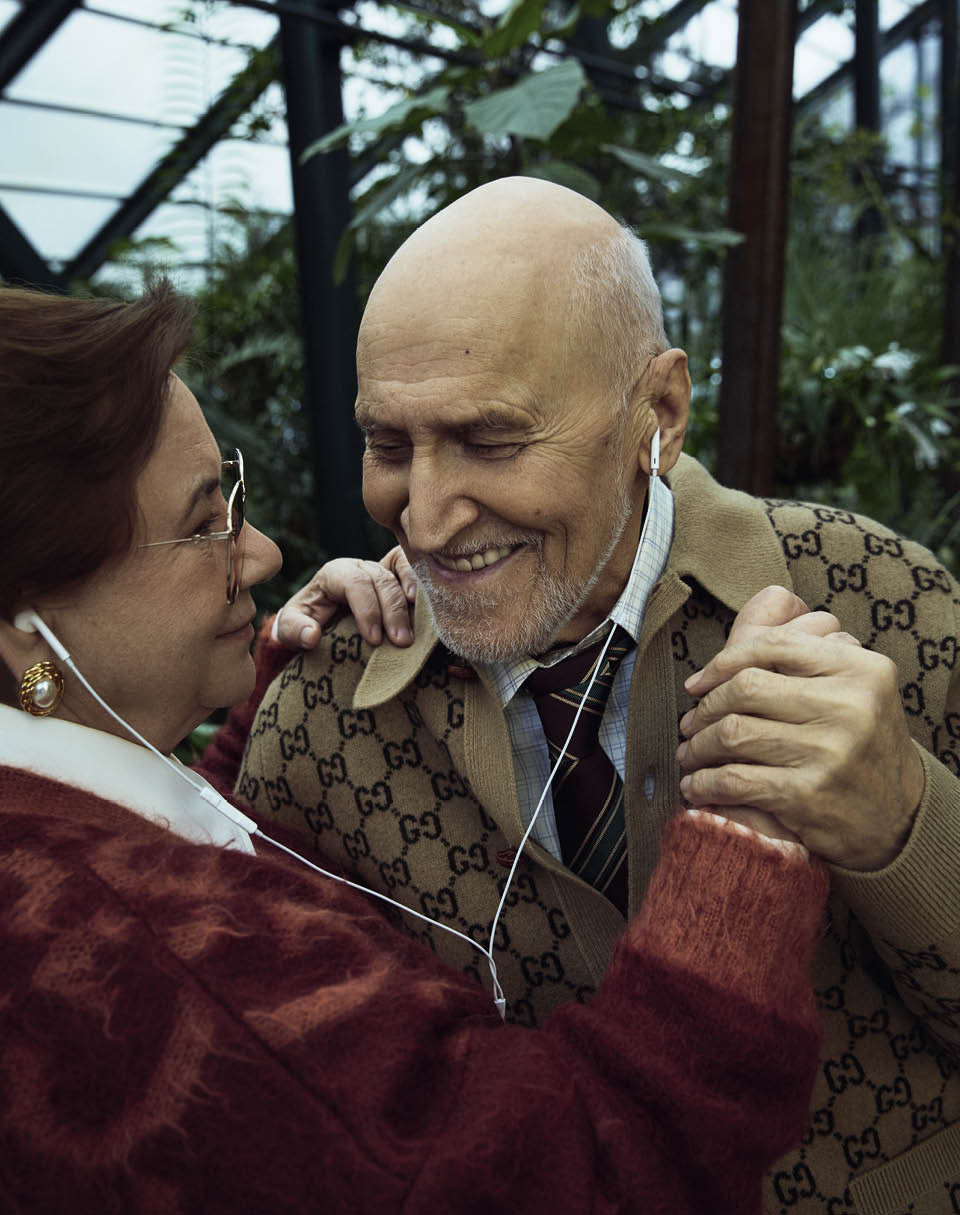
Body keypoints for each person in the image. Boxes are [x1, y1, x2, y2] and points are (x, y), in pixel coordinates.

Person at [0, 282, 829, 1214]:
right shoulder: (130, 968)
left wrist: (262, 699)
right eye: (204, 525)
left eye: (492, 438)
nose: (263, 553)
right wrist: (743, 841)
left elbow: (157, 840)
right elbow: (597, 1175)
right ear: (27, 631)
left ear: (658, 415)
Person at [230, 178, 960, 1214]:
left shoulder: (885, 599)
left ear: (659, 413)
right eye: (388, 445)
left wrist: (907, 826)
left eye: (490, 439)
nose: (424, 519)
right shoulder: (320, 723)